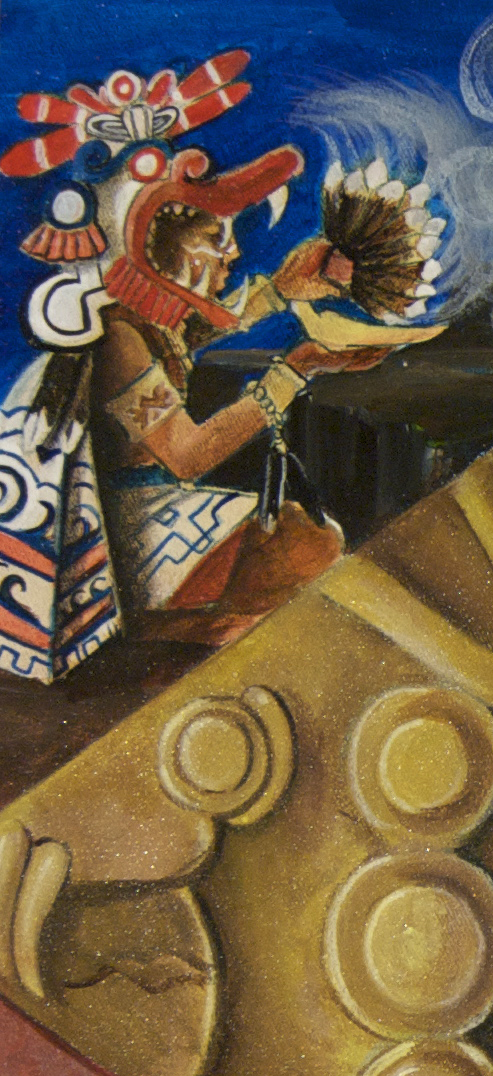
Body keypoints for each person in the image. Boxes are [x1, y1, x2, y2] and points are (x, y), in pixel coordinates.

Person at [0, 53, 388, 671]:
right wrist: (295, 370)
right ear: (152, 246)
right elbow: (187, 453)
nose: (232, 252)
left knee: (308, 543)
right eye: (214, 236)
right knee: (306, 548)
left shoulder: (137, 328)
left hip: (148, 517)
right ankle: (170, 634)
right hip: (131, 533)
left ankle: (193, 631)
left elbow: (193, 340)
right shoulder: (118, 340)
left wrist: (281, 291)